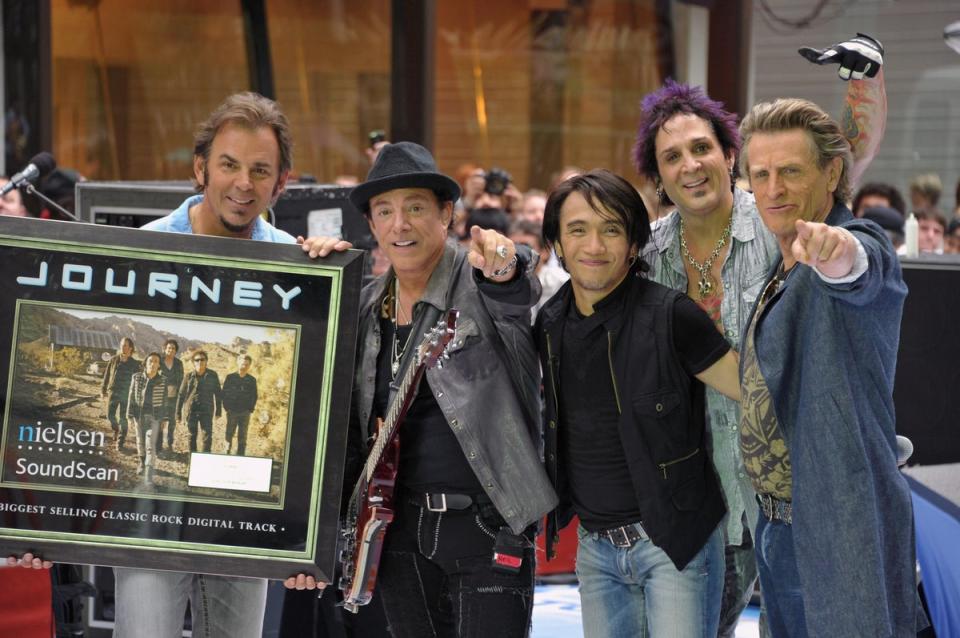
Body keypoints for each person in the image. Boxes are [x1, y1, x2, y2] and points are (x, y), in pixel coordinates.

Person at [633, 32, 887, 637]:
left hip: (797, 495)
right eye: (672, 157)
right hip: (701, 498)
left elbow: (844, 167)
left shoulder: (781, 218)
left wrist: (865, 83)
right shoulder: (648, 257)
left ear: (728, 156)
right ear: (658, 176)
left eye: (702, 148)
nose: (690, 165)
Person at [294, 141, 558, 637]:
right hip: (398, 535)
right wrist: (318, 275)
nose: (401, 224)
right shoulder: (364, 304)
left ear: (446, 214)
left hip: (488, 523)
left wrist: (505, 265)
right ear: (371, 226)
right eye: (385, 211)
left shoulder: (479, 281)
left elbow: (515, 287)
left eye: (416, 207)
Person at [738, 96, 923, 637]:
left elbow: (860, 267)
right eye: (761, 174)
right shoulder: (781, 257)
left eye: (791, 171)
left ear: (832, 172)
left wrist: (836, 253)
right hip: (778, 526)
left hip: (840, 524)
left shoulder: (850, 239)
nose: (773, 189)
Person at [113, 91, 297, 638]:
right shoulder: (140, 251)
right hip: (147, 517)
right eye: (229, 165)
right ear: (201, 169)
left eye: (260, 171)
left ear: (280, 182)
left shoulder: (298, 264)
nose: (244, 183)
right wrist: (42, 525)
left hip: (242, 513)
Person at [537, 169, 740, 638]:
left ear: (633, 245)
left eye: (611, 229)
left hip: (674, 541)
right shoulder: (549, 322)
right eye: (578, 230)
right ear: (558, 244)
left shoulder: (671, 315)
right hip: (595, 547)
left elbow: (755, 394)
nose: (594, 245)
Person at [507, 217, 568, 320]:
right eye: (513, 247)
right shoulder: (499, 285)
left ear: (544, 252)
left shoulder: (562, 282)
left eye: (525, 247)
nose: (517, 254)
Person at [126, 352, 167, 484]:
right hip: (138, 415)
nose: (153, 364)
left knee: (150, 444)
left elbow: (166, 401)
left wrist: (165, 419)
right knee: (140, 441)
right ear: (145, 363)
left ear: (159, 365)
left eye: (156, 361)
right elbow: (131, 396)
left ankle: (149, 474)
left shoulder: (163, 380)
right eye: (150, 361)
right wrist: (129, 415)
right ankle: (142, 463)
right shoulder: (136, 377)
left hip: (154, 417)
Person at [176, 350, 222, 453]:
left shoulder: (212, 375)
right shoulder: (188, 376)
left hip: (206, 410)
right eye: (197, 360)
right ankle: (192, 459)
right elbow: (181, 395)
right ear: (193, 362)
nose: (200, 362)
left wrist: (218, 411)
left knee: (207, 437)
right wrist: (178, 414)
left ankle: (204, 459)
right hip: (191, 410)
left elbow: (218, 394)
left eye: (202, 359)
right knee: (192, 436)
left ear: (206, 361)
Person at [100, 337, 140, 451]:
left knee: (124, 418)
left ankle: (120, 442)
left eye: (126, 345)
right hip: (113, 391)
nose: (123, 347)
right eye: (122, 344)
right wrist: (103, 390)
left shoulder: (134, 364)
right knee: (110, 415)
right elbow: (107, 375)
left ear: (130, 348)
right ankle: (116, 429)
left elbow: (138, 381)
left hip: (126, 394)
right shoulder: (113, 360)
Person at [222, 354, 258, 455]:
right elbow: (224, 393)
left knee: (242, 437)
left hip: (245, 413)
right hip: (232, 411)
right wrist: (227, 407)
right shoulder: (230, 377)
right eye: (242, 364)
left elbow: (254, 395)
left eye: (247, 364)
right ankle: (226, 455)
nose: (244, 366)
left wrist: (250, 409)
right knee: (228, 435)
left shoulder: (252, 380)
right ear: (238, 363)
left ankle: (240, 457)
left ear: (249, 365)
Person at [157, 338, 184, 453]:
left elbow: (181, 380)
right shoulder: (159, 360)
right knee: (160, 421)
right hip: (160, 397)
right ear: (164, 349)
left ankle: (170, 444)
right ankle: (158, 445)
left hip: (173, 398)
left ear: (176, 350)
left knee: (172, 422)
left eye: (173, 348)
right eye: (169, 348)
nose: (171, 350)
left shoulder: (179, 363)